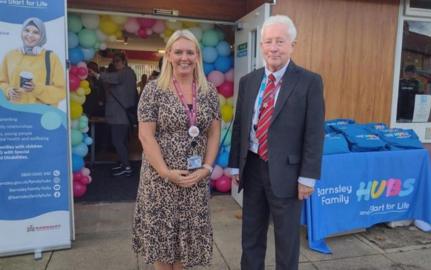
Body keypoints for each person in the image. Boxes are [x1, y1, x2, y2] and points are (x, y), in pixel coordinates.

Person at [228, 15, 325, 270]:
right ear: (261, 46)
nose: (273, 48)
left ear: (292, 44)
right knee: (251, 235)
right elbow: (239, 126)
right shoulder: (249, 81)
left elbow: (314, 133)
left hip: (289, 175)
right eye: (268, 42)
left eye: (280, 41)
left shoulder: (309, 82)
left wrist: (308, 177)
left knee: (286, 240)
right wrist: (236, 167)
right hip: (252, 169)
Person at [132, 29, 220, 270]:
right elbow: (145, 135)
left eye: (190, 52)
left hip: (195, 179)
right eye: (178, 51)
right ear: (168, 55)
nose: (184, 57)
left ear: (197, 56)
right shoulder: (153, 90)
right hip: (160, 182)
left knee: (185, 247)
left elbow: (214, 133)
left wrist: (207, 167)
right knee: (163, 245)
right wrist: (165, 172)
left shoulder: (209, 91)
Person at [89, 53, 138, 176]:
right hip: (119, 115)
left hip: (120, 116)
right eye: (114, 61)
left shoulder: (126, 73)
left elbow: (114, 78)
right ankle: (124, 163)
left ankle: (127, 167)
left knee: (118, 142)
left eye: (117, 61)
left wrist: (97, 74)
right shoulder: (126, 73)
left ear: (124, 61)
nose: (115, 63)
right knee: (121, 141)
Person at [0, 17, 65, 105]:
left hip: (40, 114)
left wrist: (36, 89)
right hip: (14, 113)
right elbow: (1, 82)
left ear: (42, 35)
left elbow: (61, 91)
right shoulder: (10, 55)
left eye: (36, 32)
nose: (30, 35)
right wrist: (8, 91)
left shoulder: (51, 57)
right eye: (26, 30)